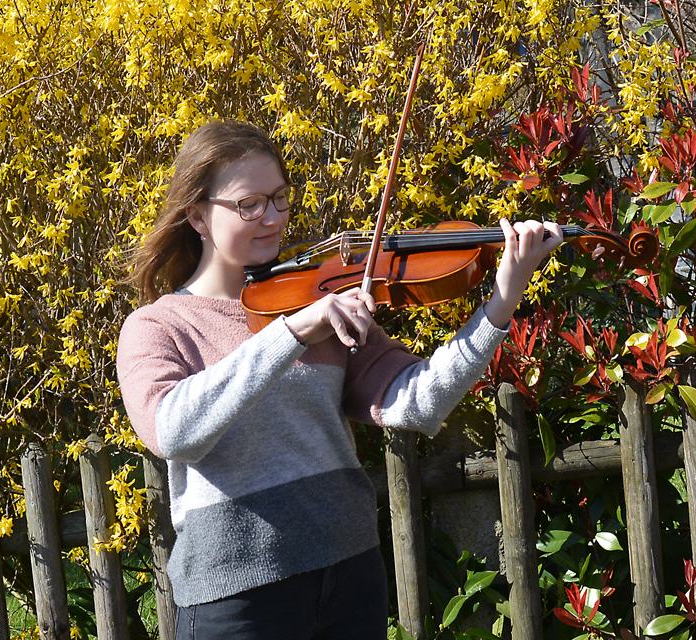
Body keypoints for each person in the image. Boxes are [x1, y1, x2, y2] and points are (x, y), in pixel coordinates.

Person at [117, 120, 563, 638]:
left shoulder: (319, 300)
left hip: (349, 574)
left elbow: (417, 402)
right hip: (237, 595)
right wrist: (293, 332)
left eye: (279, 198)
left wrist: (501, 302)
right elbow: (174, 432)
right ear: (198, 215)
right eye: (249, 205)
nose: (272, 218)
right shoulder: (159, 327)